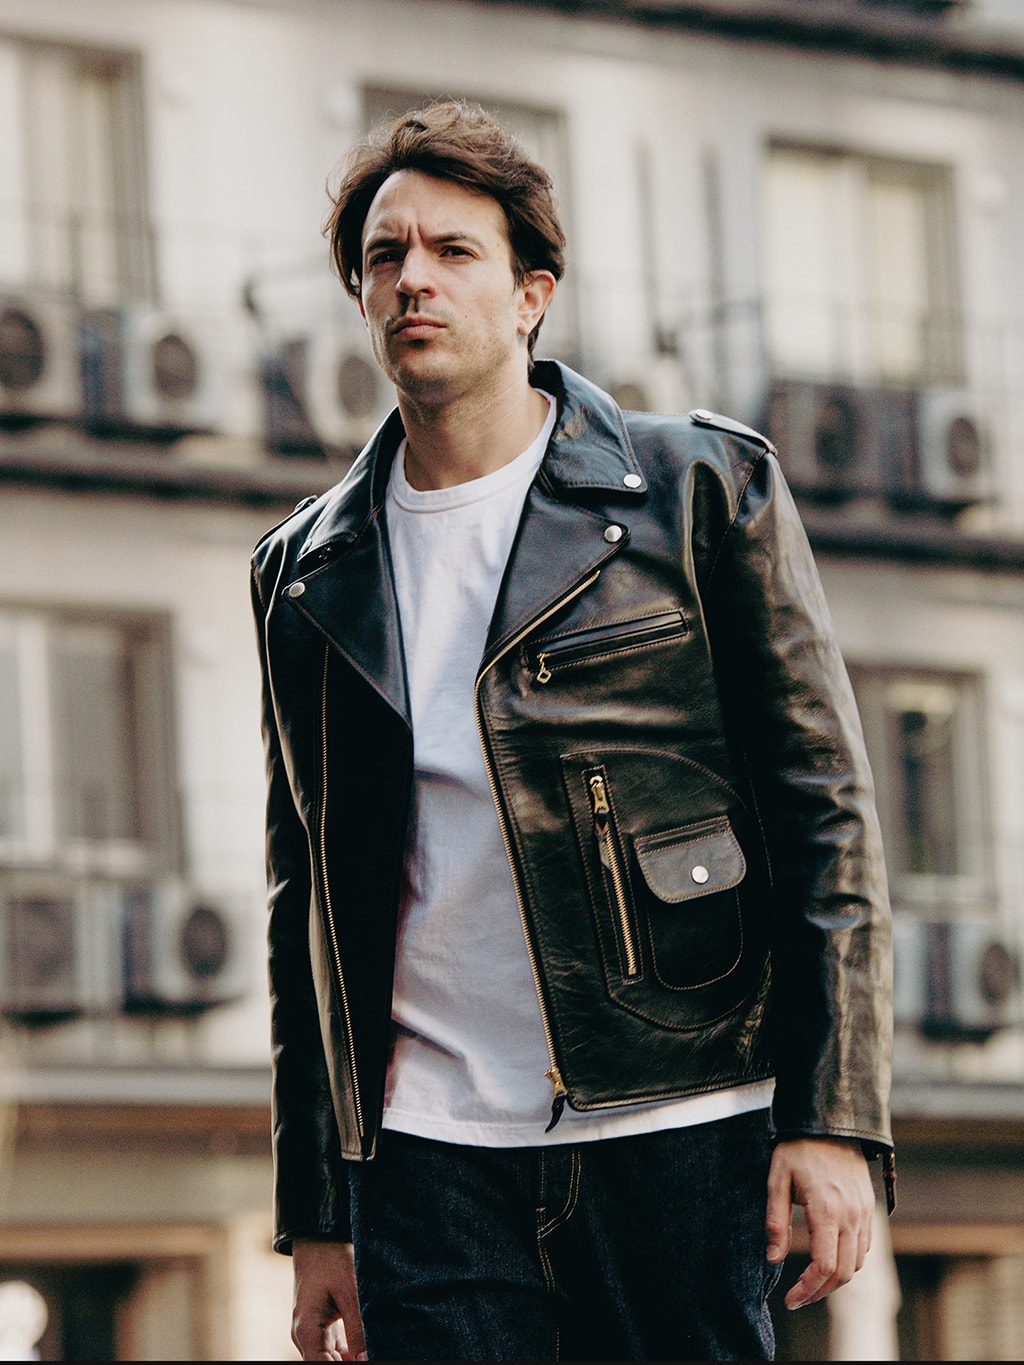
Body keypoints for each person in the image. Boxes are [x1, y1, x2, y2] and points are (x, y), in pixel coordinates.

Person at [250, 98, 895, 1363]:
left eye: (453, 251)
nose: (413, 280)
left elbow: (825, 812)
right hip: (428, 1159)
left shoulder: (698, 491)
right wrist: (317, 1208)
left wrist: (835, 1115)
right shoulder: (307, 571)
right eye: (385, 257)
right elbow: (303, 907)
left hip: (680, 1120)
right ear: (361, 297)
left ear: (531, 294)